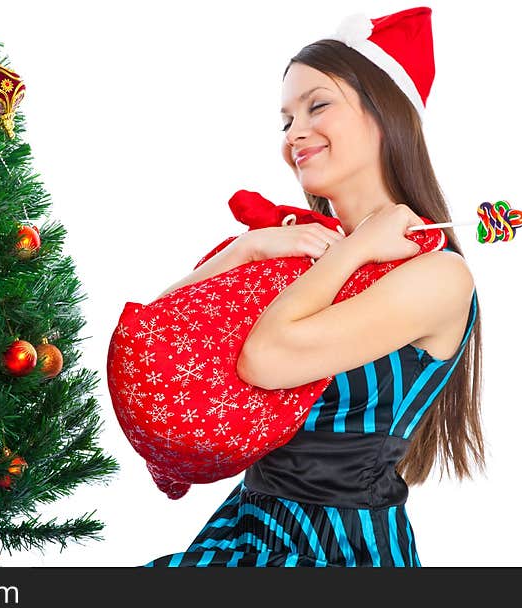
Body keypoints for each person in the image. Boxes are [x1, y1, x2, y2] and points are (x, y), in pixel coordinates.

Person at [144, 6, 484, 567]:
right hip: (247, 526)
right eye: (285, 119)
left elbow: (263, 358)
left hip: (338, 549)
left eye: (317, 105)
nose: (294, 134)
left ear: (386, 115)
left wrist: (355, 248)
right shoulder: (308, 252)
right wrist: (247, 249)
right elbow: (157, 344)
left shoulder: (440, 276)